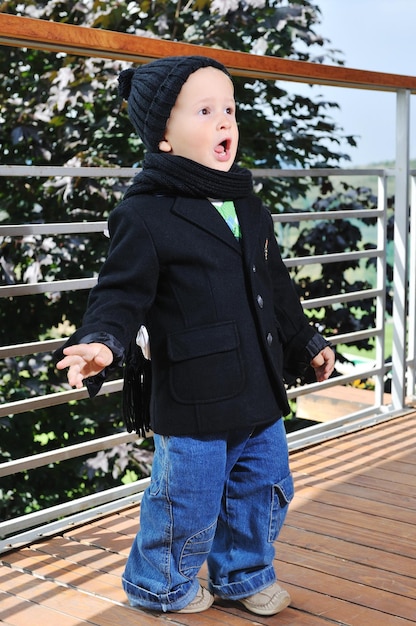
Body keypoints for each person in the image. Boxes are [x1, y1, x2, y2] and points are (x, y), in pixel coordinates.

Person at [55, 55, 335, 616]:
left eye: (228, 109)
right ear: (163, 136)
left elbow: (275, 286)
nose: (224, 122)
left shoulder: (246, 204)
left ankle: (244, 573)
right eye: (205, 111)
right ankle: (159, 582)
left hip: (258, 384)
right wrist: (102, 341)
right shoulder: (147, 213)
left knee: (261, 487)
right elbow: (120, 292)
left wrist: (306, 342)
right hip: (195, 392)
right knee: (187, 499)